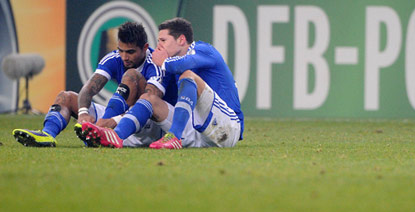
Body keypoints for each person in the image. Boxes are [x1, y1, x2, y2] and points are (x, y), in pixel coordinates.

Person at [81, 17, 244, 149]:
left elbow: (185, 64)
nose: (158, 46)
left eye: (163, 40)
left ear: (181, 40)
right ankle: (116, 136)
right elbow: (152, 97)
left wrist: (164, 62)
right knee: (149, 98)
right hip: (195, 132)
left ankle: (174, 137)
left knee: (188, 76)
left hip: (226, 128)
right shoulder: (167, 66)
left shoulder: (203, 50)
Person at [12, 21, 164, 147]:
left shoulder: (155, 63)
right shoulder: (114, 58)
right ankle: (47, 134)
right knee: (66, 97)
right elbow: (89, 88)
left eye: (130, 52)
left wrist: (114, 120)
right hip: (116, 119)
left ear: (144, 48)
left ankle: (100, 131)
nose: (124, 57)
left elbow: (150, 103)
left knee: (131, 76)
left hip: (145, 126)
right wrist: (83, 113)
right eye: (121, 50)